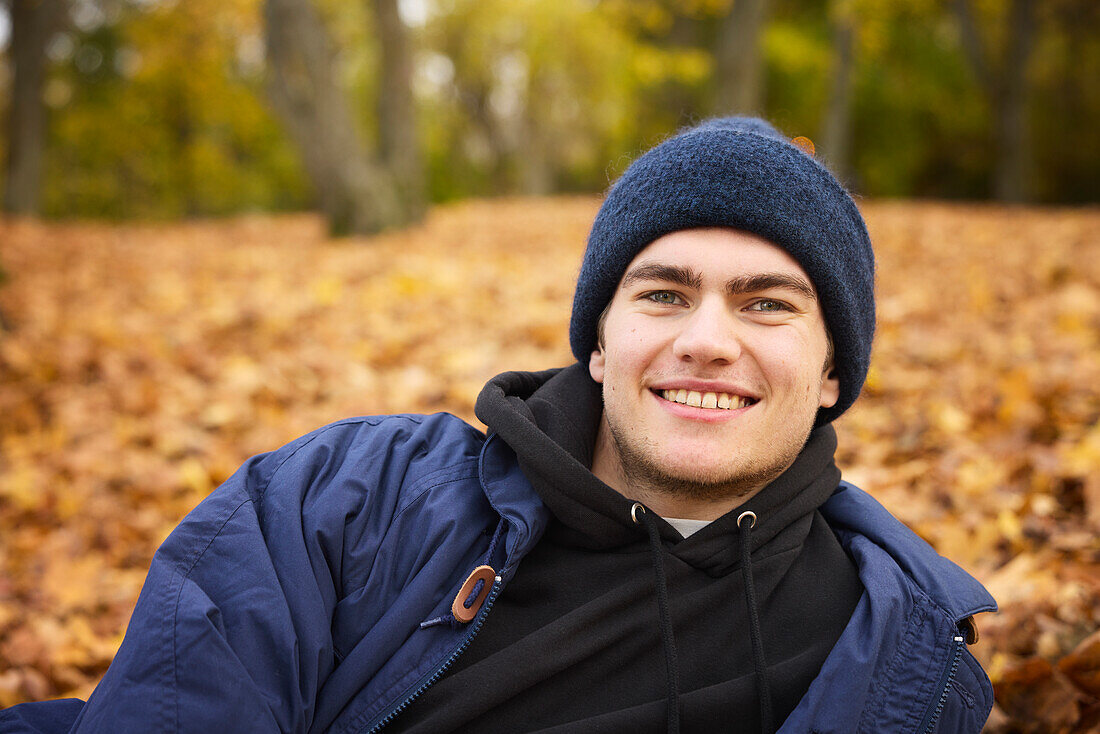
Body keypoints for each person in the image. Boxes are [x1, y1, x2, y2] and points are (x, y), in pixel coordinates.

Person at [0, 117, 996, 734]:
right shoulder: (344, 499)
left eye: (766, 304)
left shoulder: (896, 659)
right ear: (597, 342)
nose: (705, 339)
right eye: (660, 293)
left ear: (831, 371)